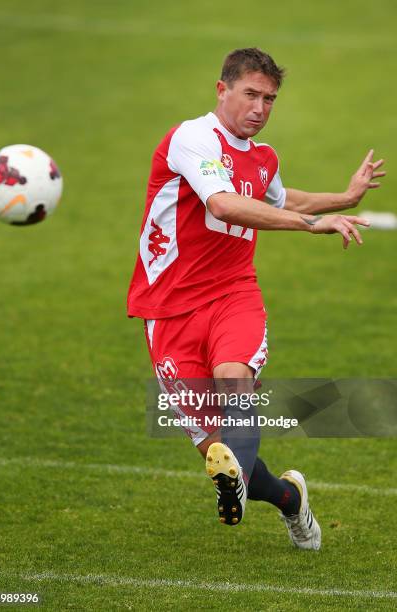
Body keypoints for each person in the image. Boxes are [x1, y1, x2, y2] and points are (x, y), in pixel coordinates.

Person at [127, 47, 385, 550]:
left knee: (234, 380)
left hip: (233, 294)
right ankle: (289, 498)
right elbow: (224, 203)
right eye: (250, 95)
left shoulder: (263, 157)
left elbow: (279, 199)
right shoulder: (193, 138)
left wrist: (345, 198)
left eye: (270, 99)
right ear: (222, 90)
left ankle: (235, 487)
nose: (260, 108)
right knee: (218, 450)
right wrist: (314, 225)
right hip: (168, 309)